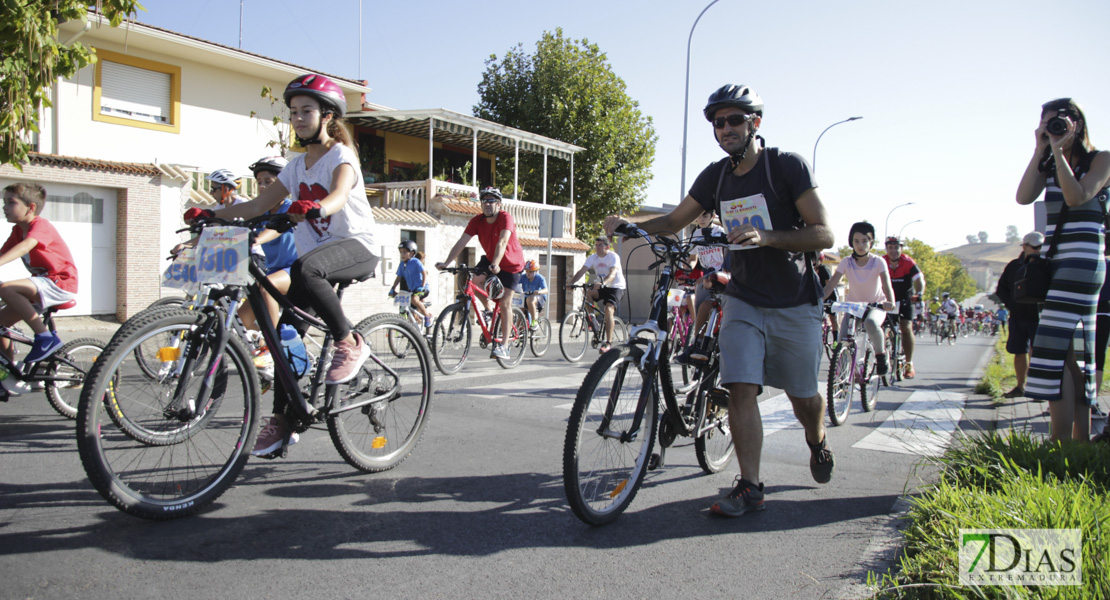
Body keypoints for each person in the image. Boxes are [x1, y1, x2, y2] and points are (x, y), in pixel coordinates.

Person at [603, 83, 835, 517]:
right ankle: (750, 486)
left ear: (755, 124)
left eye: (734, 120)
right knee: (739, 388)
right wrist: (629, 227)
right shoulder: (716, 177)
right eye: (717, 122)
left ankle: (817, 440)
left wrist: (768, 237)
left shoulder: (786, 167)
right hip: (744, 299)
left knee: (804, 399)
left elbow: (824, 233)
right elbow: (674, 220)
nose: (725, 128)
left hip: (793, 301)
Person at [186, 73, 379, 456]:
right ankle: (286, 419)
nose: (298, 118)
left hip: (355, 246)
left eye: (306, 110)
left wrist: (318, 207)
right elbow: (258, 206)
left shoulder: (341, 156)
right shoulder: (294, 166)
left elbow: (340, 193)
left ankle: (350, 341)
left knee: (308, 270)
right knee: (280, 331)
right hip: (316, 260)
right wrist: (212, 213)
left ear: (327, 116)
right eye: (293, 112)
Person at [1016, 98, 1110, 441]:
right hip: (1057, 263)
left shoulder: (1102, 159)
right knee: (1075, 350)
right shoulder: (1049, 159)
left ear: (1078, 124)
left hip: (1082, 262)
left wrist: (1057, 153)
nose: (1053, 130)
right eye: (1047, 124)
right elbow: (1024, 196)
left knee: (1053, 348)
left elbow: (1077, 196)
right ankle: (1079, 441)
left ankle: (1059, 444)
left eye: (1059, 123)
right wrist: (1039, 148)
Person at [0, 183, 78, 380]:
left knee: (7, 288)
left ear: (31, 207)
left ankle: (45, 337)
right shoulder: (18, 230)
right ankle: (7, 375)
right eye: (4, 202)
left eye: (11, 202)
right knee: (0, 324)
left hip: (60, 283)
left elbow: (25, 247)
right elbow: (3, 253)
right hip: (42, 285)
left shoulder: (39, 226)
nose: (4, 207)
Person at [436, 187, 524, 360]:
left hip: (511, 264)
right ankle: (489, 309)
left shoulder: (506, 218)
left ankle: (505, 346)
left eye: (492, 201)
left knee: (505, 302)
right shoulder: (477, 221)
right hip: (491, 260)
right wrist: (446, 263)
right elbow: (461, 242)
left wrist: (496, 264)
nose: (488, 204)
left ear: (498, 204)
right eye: (485, 201)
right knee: (472, 282)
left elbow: (503, 241)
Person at [822, 222, 896, 374]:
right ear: (851, 242)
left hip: (876, 306)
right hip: (854, 307)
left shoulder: (878, 262)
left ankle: (881, 355)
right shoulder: (846, 262)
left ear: (871, 242)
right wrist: (819, 300)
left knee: (871, 323)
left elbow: (886, 284)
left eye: (864, 241)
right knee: (843, 339)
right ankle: (841, 376)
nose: (860, 245)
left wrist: (891, 301)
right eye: (856, 241)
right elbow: (831, 286)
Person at [994, 232, 1043, 399]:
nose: (1037, 250)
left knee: (1038, 353)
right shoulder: (1014, 266)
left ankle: (1038, 389)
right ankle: (1020, 386)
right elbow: (1001, 289)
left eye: (1040, 247)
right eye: (1034, 247)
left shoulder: (1047, 264)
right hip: (1018, 316)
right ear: (1024, 246)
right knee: (1019, 351)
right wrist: (1012, 304)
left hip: (1040, 317)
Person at [568, 235, 627, 353]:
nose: (597, 248)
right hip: (602, 285)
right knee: (587, 292)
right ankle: (593, 319)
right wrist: (571, 283)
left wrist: (603, 283)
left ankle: (608, 343)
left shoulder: (613, 257)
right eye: (596, 245)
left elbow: (612, 274)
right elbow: (582, 271)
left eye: (600, 245)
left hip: (616, 287)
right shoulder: (593, 257)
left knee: (609, 310)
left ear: (607, 247)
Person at [883, 236, 925, 378]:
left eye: (896, 247)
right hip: (888, 300)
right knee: (881, 328)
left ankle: (908, 363)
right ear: (886, 249)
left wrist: (919, 294)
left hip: (905, 299)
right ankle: (882, 356)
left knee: (906, 328)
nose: (893, 250)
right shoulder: (882, 262)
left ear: (901, 249)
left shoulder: (907, 262)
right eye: (890, 248)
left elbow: (919, 280)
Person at [389, 240, 433, 328]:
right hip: (412, 290)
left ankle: (428, 316)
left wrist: (422, 286)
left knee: (414, 299)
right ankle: (418, 328)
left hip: (422, 289)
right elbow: (398, 278)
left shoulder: (416, 262)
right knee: (412, 314)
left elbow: (424, 273)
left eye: (404, 252)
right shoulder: (402, 264)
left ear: (412, 253)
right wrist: (393, 288)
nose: (402, 254)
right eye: (401, 252)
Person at [519, 259, 549, 329]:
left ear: (536, 271)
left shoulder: (540, 278)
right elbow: (515, 284)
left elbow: (546, 290)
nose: (528, 273)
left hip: (539, 298)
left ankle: (534, 321)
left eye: (530, 272)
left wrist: (539, 292)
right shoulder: (523, 277)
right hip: (526, 298)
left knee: (530, 299)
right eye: (526, 271)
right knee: (520, 309)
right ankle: (520, 332)